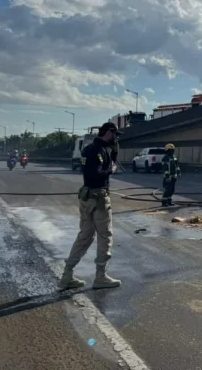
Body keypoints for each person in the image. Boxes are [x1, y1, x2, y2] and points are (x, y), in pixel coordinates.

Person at [58, 122, 122, 291]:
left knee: (84, 236)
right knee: (105, 236)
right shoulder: (100, 151)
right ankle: (100, 276)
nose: (116, 138)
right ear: (109, 132)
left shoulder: (88, 149)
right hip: (99, 197)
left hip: (86, 196)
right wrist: (112, 168)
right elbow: (98, 173)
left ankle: (67, 275)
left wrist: (113, 154)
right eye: (115, 134)